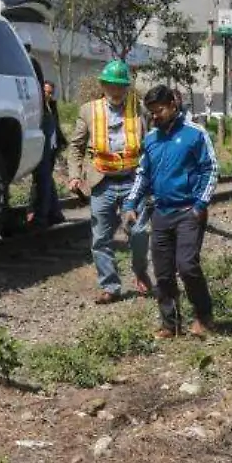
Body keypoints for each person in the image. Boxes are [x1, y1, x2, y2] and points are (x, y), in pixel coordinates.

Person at [123, 85, 219, 338]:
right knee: (163, 273)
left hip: (189, 211)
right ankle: (170, 324)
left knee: (187, 266)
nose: (156, 116)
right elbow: (143, 175)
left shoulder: (195, 134)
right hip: (161, 213)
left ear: (174, 105)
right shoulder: (151, 139)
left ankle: (204, 317)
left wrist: (200, 204)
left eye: (160, 110)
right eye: (152, 112)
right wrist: (131, 204)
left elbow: (210, 169)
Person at [64, 60, 153, 303]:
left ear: (127, 87)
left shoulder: (140, 111)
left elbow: (151, 145)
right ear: (103, 85)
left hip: (133, 181)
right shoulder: (88, 110)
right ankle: (110, 286)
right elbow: (76, 145)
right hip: (101, 181)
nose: (116, 91)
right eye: (111, 86)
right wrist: (74, 174)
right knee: (101, 238)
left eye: (121, 86)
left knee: (139, 234)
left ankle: (140, 271)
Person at [32, 78, 68, 229]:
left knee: (46, 180)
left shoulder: (52, 106)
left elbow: (56, 127)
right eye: (45, 92)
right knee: (45, 180)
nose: (48, 95)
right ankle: (51, 214)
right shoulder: (36, 107)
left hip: (50, 149)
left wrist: (61, 142)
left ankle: (48, 215)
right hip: (40, 148)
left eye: (50, 93)